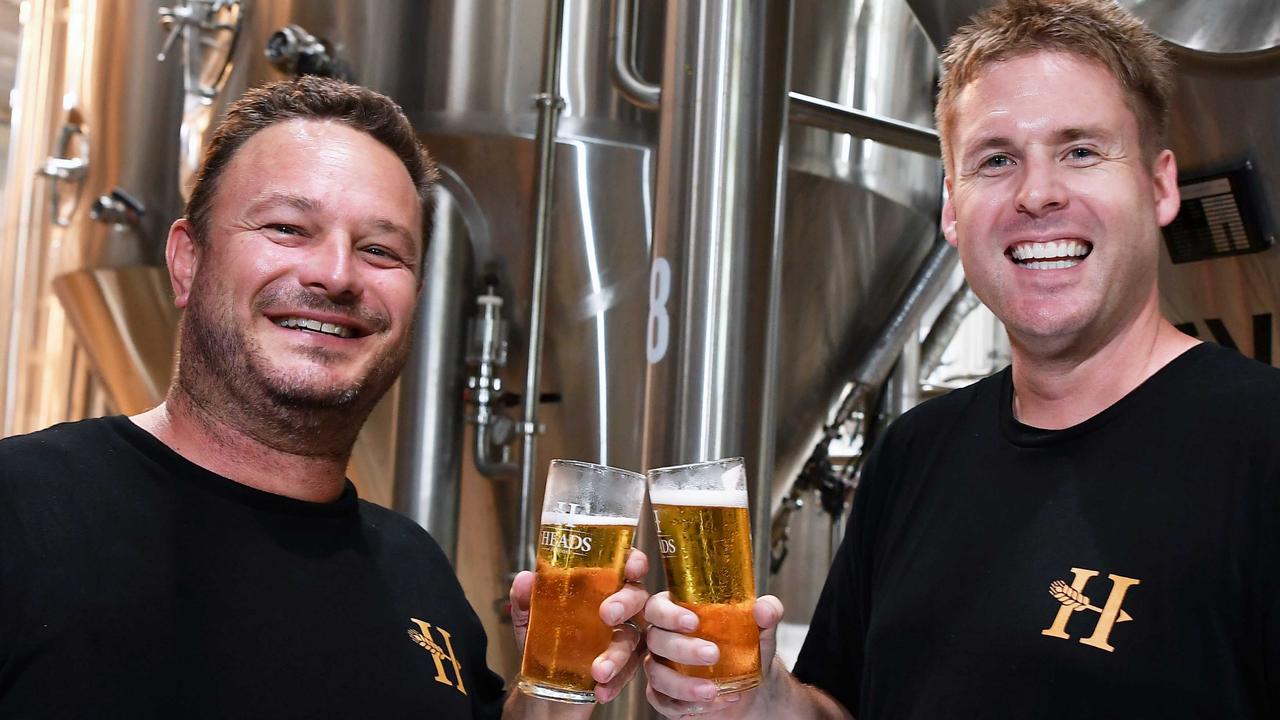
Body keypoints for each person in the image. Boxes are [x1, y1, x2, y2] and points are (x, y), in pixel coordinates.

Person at [643, 0, 1280, 717]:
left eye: (1080, 150)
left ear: (1160, 186)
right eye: (996, 160)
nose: (1037, 194)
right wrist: (763, 699)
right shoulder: (916, 452)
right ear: (952, 207)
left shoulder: (1260, 447)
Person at [0, 77, 647, 719]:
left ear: (415, 298)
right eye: (287, 227)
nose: (336, 275)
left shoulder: (417, 574)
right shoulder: (22, 508)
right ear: (186, 262)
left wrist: (555, 689)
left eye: (380, 250)